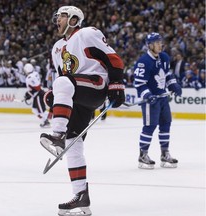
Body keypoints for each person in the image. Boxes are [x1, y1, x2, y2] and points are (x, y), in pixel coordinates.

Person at [39, 6, 125, 216]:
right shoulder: (57, 47)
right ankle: (81, 197)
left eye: (60, 16)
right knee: (73, 143)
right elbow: (62, 77)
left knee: (63, 83)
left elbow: (113, 58)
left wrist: (116, 84)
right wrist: (54, 94)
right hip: (77, 93)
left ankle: (56, 135)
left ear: (73, 19)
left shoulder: (89, 33)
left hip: (96, 85)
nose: (56, 19)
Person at [133, 32, 182, 170]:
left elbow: (167, 75)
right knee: (150, 126)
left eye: (160, 42)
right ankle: (143, 155)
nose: (160, 44)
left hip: (162, 98)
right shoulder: (143, 62)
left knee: (166, 124)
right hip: (150, 101)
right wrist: (148, 95)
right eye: (157, 42)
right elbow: (139, 83)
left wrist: (173, 85)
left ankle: (165, 153)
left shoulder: (165, 57)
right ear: (150, 45)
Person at [24, 63, 51, 128]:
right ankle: (45, 121)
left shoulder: (29, 77)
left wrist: (29, 94)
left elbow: (37, 88)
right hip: (37, 94)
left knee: (42, 111)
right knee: (34, 110)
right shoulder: (35, 73)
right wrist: (29, 94)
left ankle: (57, 118)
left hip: (38, 95)